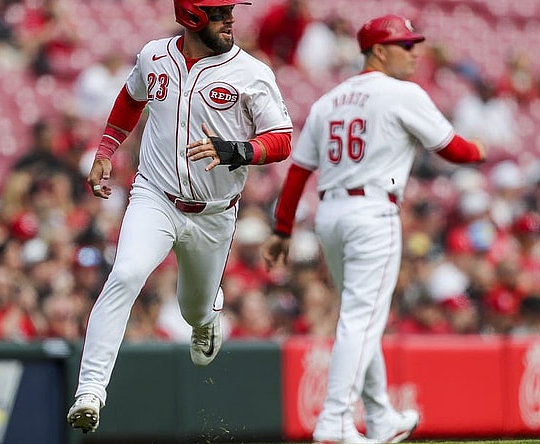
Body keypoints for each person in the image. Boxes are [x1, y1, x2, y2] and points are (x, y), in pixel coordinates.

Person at [66, 0, 293, 434]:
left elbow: (281, 139)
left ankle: (207, 317)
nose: (231, 19)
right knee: (127, 274)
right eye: (220, 12)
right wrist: (105, 151)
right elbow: (131, 100)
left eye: (230, 10)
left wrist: (238, 150)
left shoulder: (252, 72)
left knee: (192, 308)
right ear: (192, 16)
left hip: (214, 214)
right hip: (156, 197)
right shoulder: (154, 55)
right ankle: (91, 391)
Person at [261, 14, 486, 444]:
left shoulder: (330, 100)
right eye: (405, 44)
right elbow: (455, 150)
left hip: (330, 216)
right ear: (379, 50)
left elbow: (298, 172)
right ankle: (334, 421)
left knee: (360, 318)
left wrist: (283, 229)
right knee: (361, 320)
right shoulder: (401, 93)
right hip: (371, 214)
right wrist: (480, 149)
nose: (414, 51)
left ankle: (381, 417)